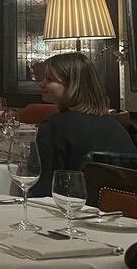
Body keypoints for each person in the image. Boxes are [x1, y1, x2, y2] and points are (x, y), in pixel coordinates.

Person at [34, 51, 135, 196]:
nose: (41, 84)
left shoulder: (54, 126)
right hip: (122, 208)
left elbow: (41, 189)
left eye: (49, 79)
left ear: (73, 85)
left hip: (74, 207)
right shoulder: (114, 124)